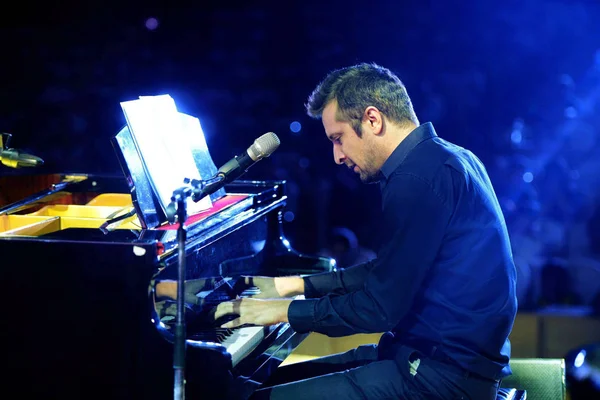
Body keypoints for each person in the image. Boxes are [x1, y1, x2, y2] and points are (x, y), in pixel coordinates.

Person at [210, 62, 518, 399]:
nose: (337, 156)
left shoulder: (415, 180)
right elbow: (389, 271)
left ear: (373, 119)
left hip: (441, 380)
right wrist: (294, 285)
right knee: (261, 384)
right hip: (425, 360)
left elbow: (379, 308)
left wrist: (280, 310)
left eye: (338, 139)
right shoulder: (448, 158)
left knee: (256, 398)